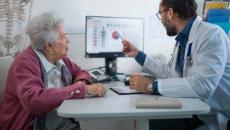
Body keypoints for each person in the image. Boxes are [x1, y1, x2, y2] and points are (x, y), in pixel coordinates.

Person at [122, 0, 230, 130]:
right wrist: (137, 54)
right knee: (150, 122)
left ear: (170, 13)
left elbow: (203, 85)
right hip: (193, 109)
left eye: (160, 14)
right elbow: (169, 73)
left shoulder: (211, 35)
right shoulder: (183, 39)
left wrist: (150, 86)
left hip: (214, 116)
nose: (160, 19)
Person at [0, 12, 107, 130]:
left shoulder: (61, 59)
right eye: (63, 37)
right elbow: (34, 101)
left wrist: (81, 83)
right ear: (49, 46)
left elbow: (81, 72)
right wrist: (83, 89)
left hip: (62, 124)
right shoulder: (24, 63)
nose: (68, 41)